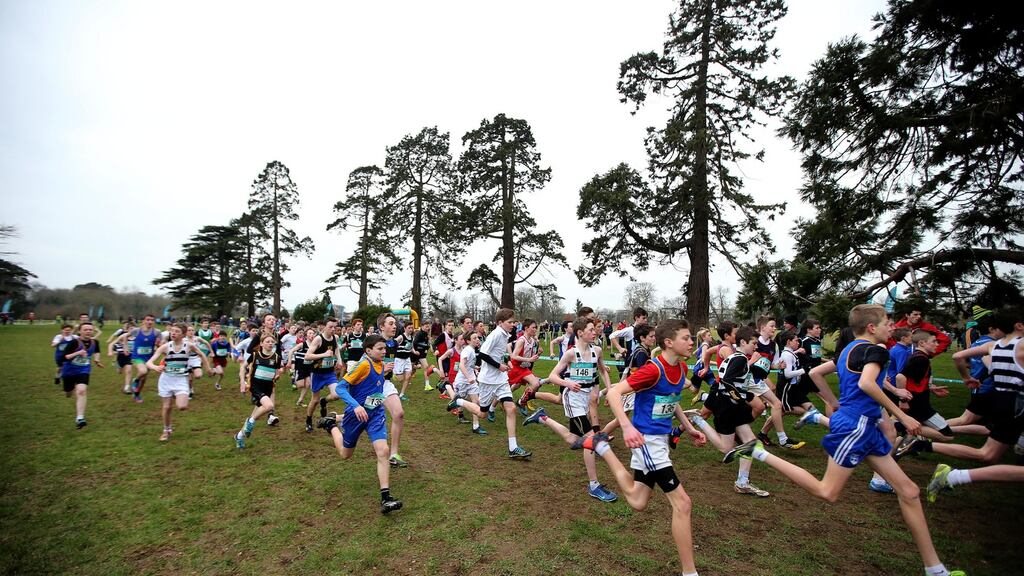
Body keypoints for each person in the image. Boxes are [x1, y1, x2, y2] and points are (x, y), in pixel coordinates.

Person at [723, 304, 965, 576]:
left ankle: (935, 569)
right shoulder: (877, 350)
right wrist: (900, 415)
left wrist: (835, 403)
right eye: (887, 322)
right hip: (857, 428)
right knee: (827, 491)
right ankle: (758, 451)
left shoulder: (847, 350)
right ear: (872, 327)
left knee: (909, 490)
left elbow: (816, 374)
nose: (892, 327)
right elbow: (867, 384)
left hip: (863, 425)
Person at [564, 319, 706, 576]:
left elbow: (671, 401)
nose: (691, 342)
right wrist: (627, 427)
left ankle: (603, 449)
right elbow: (615, 393)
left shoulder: (681, 368)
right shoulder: (653, 369)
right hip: (647, 442)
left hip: (658, 441)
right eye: (686, 338)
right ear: (669, 343)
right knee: (683, 504)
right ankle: (690, 572)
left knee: (638, 500)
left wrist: (688, 426)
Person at [901, 307, 1024, 465]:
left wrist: (967, 377)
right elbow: (900, 376)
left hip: (989, 392)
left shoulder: (989, 344)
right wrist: (902, 397)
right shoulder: (1001, 345)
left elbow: (960, 357)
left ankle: (926, 432)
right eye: (934, 342)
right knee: (968, 430)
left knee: (983, 432)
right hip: (993, 393)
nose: (938, 344)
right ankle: (920, 431)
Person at [525, 317, 617, 501]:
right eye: (591, 330)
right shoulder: (570, 354)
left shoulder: (597, 350)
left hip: (585, 398)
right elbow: (552, 376)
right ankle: (594, 485)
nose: (595, 332)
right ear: (580, 332)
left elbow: (601, 370)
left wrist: (608, 389)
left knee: (572, 438)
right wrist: (567, 382)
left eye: (594, 329)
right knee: (591, 439)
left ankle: (542, 417)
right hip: (572, 398)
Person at [315, 334, 403, 514]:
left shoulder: (379, 362)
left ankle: (386, 498)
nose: (384, 351)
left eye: (385, 348)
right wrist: (355, 406)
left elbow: (374, 382)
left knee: (383, 451)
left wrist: (383, 370)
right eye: (380, 349)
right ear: (368, 350)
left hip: (376, 413)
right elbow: (340, 387)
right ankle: (331, 425)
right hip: (356, 415)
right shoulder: (363, 364)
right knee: (345, 454)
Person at [475, 308, 532, 459]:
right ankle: (459, 401)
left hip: (500, 379)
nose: (513, 324)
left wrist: (506, 361)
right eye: (510, 322)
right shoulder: (495, 334)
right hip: (487, 379)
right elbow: (482, 354)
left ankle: (513, 448)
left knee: (511, 408)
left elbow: (498, 353)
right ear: (500, 323)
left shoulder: (505, 334)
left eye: (514, 322)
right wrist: (499, 365)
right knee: (482, 414)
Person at [148, 323, 208, 442]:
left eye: (177, 331)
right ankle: (166, 430)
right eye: (172, 331)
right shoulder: (165, 347)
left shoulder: (188, 346)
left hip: (181, 379)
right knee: (167, 407)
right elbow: (149, 362)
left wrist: (208, 368)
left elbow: (201, 354)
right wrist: (155, 367)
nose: (173, 333)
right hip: (166, 379)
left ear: (183, 335)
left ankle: (177, 395)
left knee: (182, 406)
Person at [234, 333, 282, 449]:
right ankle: (250, 421)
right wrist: (242, 381)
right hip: (256, 387)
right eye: (268, 341)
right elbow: (243, 367)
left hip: (268, 388)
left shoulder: (276, 358)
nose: (270, 343)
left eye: (272, 342)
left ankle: (239, 436)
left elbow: (277, 371)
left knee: (256, 413)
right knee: (269, 406)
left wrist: (277, 375)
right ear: (261, 344)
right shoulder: (255, 355)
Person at [303, 317, 342, 433]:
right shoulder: (318, 339)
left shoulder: (335, 337)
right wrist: (323, 354)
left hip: (329, 372)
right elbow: (307, 356)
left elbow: (336, 350)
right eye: (330, 327)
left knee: (336, 394)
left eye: (335, 327)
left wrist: (339, 360)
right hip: (317, 373)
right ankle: (308, 420)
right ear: (324, 326)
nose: (333, 329)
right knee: (314, 401)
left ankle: (324, 401)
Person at [61, 321, 103, 428]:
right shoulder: (74, 342)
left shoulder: (95, 342)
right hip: (69, 371)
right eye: (85, 329)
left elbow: (97, 351)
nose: (88, 331)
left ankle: (80, 418)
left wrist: (97, 360)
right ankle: (68, 391)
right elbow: (64, 357)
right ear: (80, 331)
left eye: (90, 329)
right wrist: (78, 353)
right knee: (68, 392)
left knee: (81, 390)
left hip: (83, 370)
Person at [120, 314, 162, 403]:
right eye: (148, 320)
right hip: (137, 357)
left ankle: (137, 394)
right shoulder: (136, 331)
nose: (150, 322)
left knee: (143, 379)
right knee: (143, 371)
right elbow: (125, 337)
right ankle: (135, 380)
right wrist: (125, 347)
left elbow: (160, 343)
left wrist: (158, 344)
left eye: (152, 320)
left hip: (149, 358)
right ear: (143, 321)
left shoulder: (156, 332)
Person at [411, 321, 435, 392]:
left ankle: (427, 385)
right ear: (422, 326)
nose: (428, 328)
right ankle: (400, 377)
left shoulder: (426, 334)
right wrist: (425, 346)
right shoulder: (419, 334)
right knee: (410, 370)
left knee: (426, 367)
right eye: (426, 326)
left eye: (428, 326)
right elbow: (415, 343)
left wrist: (428, 347)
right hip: (414, 354)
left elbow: (426, 344)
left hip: (421, 355)